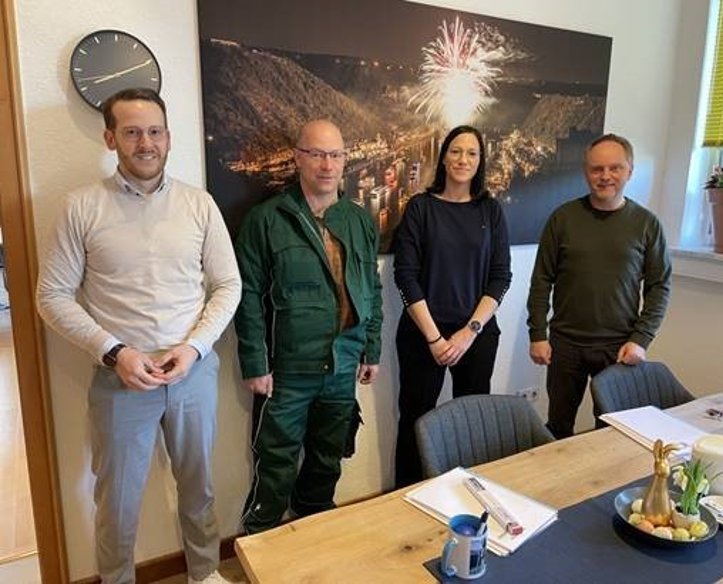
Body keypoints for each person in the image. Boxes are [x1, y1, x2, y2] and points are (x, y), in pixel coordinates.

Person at [36, 88, 240, 584]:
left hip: (191, 371)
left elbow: (228, 284)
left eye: (153, 131)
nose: (144, 142)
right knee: (118, 501)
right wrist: (115, 353)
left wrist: (193, 347)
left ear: (168, 137)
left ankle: (205, 574)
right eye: (131, 132)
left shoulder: (199, 204)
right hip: (121, 378)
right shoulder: (81, 207)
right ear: (111, 138)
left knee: (199, 488)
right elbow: (51, 296)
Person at [235, 119, 382, 534]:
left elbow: (372, 286)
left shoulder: (359, 220)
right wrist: (254, 362)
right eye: (316, 154)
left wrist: (372, 349)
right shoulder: (265, 220)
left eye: (335, 155)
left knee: (326, 459)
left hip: (343, 364)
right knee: (275, 462)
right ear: (298, 157)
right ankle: (259, 544)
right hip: (287, 370)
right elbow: (247, 296)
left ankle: (314, 538)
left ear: (344, 160)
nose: (326, 164)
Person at [526, 133, 672, 439]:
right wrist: (538, 333)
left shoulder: (646, 224)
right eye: (597, 169)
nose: (605, 176)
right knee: (558, 427)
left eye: (615, 168)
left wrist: (641, 339)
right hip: (565, 345)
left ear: (629, 171)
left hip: (619, 347)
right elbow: (541, 279)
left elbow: (659, 286)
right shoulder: (563, 218)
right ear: (586, 172)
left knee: (613, 431)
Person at [393, 125, 512, 488]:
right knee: (416, 418)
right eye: (456, 151)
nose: (463, 159)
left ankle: (469, 495)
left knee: (472, 422)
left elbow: (500, 277)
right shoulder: (420, 208)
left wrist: (467, 333)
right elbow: (405, 276)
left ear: (481, 161)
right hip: (422, 335)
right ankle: (407, 496)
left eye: (472, 153)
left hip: (475, 336)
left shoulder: (490, 210)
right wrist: (434, 338)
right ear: (443, 156)